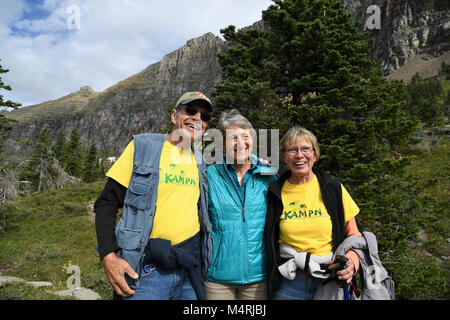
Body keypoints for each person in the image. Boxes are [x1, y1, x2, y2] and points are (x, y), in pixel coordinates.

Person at [94, 92, 213, 300]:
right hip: (144, 273)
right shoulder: (142, 147)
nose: (197, 119)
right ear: (174, 115)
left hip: (187, 273)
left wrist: (254, 162)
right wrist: (108, 256)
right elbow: (106, 204)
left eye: (204, 116)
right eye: (191, 111)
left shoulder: (200, 161)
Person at [265, 126, 362, 300]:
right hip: (289, 282)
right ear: (284, 157)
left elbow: (354, 235)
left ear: (315, 154)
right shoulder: (274, 192)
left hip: (329, 282)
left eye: (306, 149)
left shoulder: (332, 187)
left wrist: (352, 262)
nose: (299, 155)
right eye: (292, 150)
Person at [204, 109, 277, 300]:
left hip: (257, 278)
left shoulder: (268, 176)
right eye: (233, 138)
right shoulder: (209, 176)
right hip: (217, 279)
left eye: (245, 136)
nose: (240, 143)